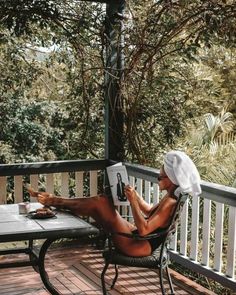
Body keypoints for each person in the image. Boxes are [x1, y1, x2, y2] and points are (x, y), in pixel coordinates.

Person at [27, 150, 201, 257]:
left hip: (138, 245)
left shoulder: (170, 201)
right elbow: (148, 211)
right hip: (140, 240)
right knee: (101, 203)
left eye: (161, 176)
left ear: (172, 179)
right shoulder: (170, 198)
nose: (157, 178)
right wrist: (136, 196)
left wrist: (132, 201)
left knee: (101, 203)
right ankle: (57, 202)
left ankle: (56, 202)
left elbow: (145, 229)